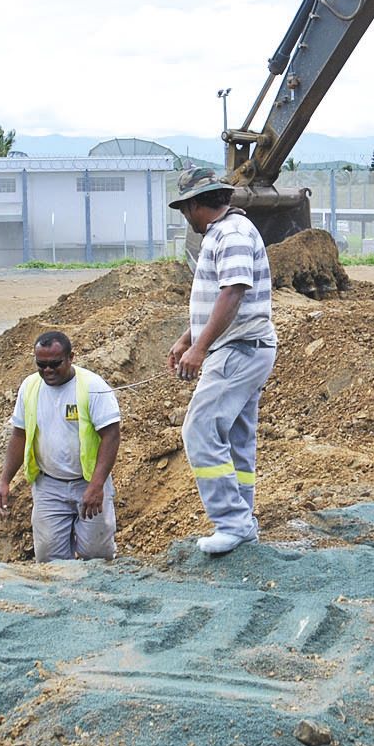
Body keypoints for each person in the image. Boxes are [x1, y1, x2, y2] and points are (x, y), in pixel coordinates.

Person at [166, 167, 278, 556]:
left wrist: (200, 349)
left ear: (199, 204)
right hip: (245, 347)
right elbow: (218, 297)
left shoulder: (229, 235)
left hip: (238, 349)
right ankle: (242, 520)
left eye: (185, 209)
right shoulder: (228, 232)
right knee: (236, 440)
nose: (185, 217)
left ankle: (232, 522)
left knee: (199, 430)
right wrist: (188, 338)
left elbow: (233, 292)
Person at [0, 330, 120, 561]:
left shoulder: (92, 387)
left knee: (97, 555)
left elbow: (111, 435)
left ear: (71, 357)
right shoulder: (30, 388)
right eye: (41, 364)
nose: (47, 370)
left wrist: (97, 484)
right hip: (49, 485)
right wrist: (4, 481)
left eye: (54, 364)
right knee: (50, 558)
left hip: (88, 483)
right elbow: (19, 435)